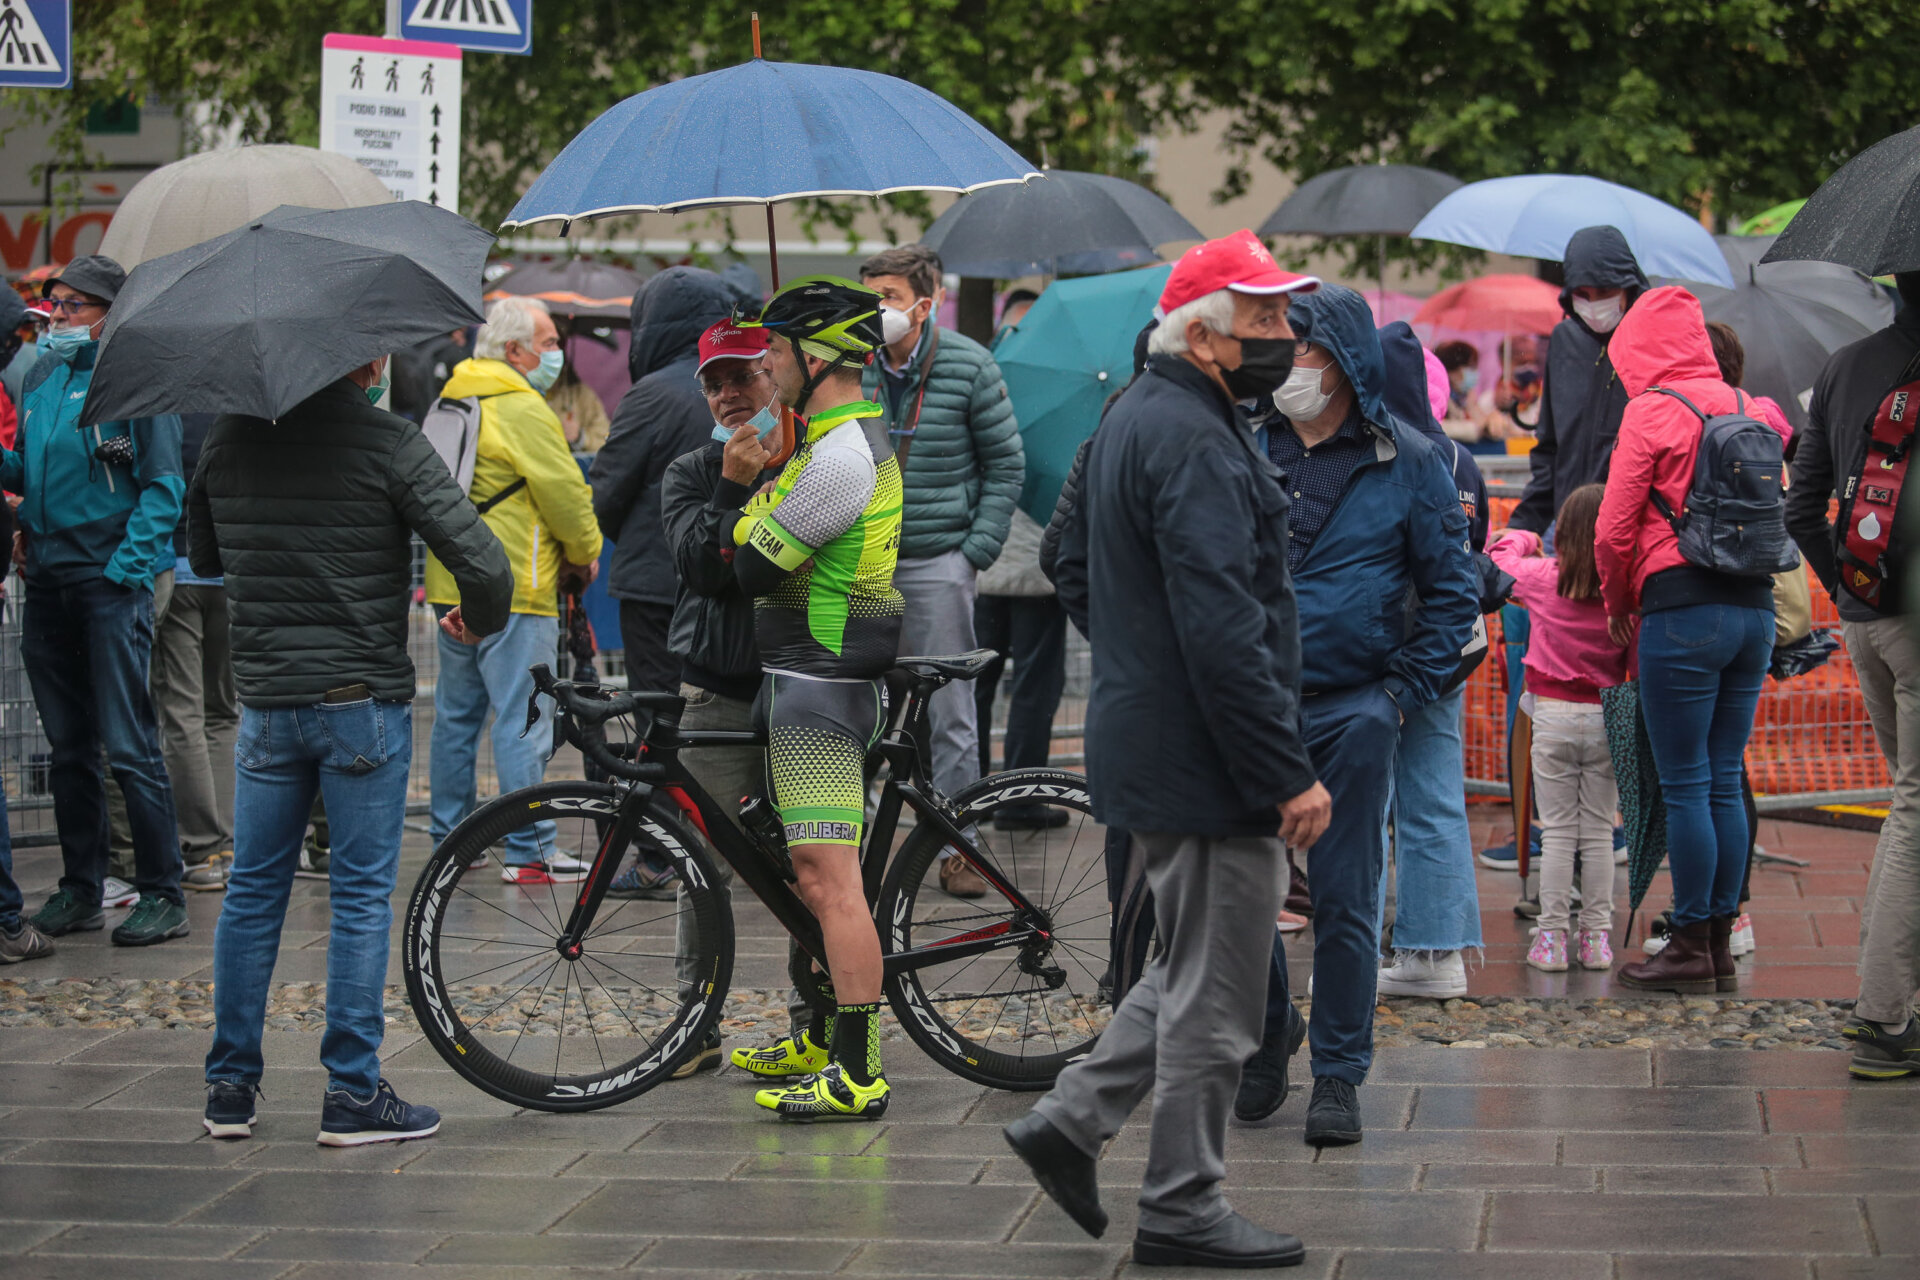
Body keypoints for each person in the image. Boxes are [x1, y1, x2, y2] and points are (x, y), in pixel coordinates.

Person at [1008, 231, 1328, 1268]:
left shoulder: (1143, 416)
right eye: (1267, 319)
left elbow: (1081, 562)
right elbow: (1223, 624)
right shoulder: (1189, 434)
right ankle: (1183, 1202)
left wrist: (1141, 662)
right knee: (1221, 998)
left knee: (1195, 967)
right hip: (1206, 761)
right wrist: (1285, 771)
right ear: (1204, 335)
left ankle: (1070, 1117)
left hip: (1168, 744)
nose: (1285, 334)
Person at [196, 353, 513, 1146]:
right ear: (366, 359)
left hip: (267, 703)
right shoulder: (388, 442)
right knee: (362, 894)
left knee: (252, 892)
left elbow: (204, 559)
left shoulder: (227, 438)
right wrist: (479, 620)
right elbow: (484, 564)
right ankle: (352, 1093)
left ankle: (230, 1086)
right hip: (359, 702)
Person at [1234, 286, 1476, 1145]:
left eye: (1295, 346)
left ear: (1338, 359)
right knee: (1242, 897)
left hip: (1353, 712)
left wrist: (1396, 696)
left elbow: (1456, 596)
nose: (1280, 362)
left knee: (1344, 898)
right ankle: (1267, 1041)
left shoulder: (1408, 460)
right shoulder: (1244, 446)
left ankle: (1338, 1072)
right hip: (1250, 712)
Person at [724, 276, 905, 1121]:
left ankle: (859, 1070)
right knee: (807, 875)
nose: (765, 363)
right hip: (804, 680)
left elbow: (754, 566)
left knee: (831, 885)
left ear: (819, 353)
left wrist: (750, 505)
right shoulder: (829, 441)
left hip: (822, 690)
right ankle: (828, 1033)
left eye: (778, 349)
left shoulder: (837, 457)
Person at [1596, 286, 1775, 995]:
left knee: (1686, 784)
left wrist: (1619, 601)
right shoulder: (1749, 406)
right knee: (1726, 776)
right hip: (1753, 611)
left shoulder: (1651, 411)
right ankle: (1723, 941)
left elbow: (1613, 528)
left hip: (1681, 610)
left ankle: (1689, 942)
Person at [8, 255, 190, 947]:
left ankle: (162, 890)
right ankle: (82, 887)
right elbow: (27, 466)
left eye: (73, 306)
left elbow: (164, 487)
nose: (56, 317)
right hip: (50, 583)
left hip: (107, 587)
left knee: (130, 745)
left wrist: (124, 571)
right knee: (69, 748)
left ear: (111, 312)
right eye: (53, 304)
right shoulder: (46, 377)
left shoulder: (139, 382)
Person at [656, 317, 809, 1077]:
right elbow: (703, 568)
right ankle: (696, 1023)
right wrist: (733, 484)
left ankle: (816, 1021)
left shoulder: (820, 457)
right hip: (717, 690)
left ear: (775, 372)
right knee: (700, 863)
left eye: (743, 376)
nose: (728, 395)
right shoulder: (691, 471)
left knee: (814, 860)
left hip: (805, 689)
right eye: (714, 384)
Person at [1784, 271, 1920, 1077]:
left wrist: (1848, 592)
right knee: (1913, 808)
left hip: (1869, 618)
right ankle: (1879, 1014)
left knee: (1908, 799)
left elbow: (1800, 509)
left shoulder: (1844, 366)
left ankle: (1892, 999)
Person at [859, 245, 1024, 898]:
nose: (877, 311)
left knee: (951, 714)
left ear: (925, 304)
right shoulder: (850, 364)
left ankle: (963, 850)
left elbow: (1006, 464)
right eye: (869, 295)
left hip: (936, 561)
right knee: (856, 706)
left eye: (889, 297)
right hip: (861, 563)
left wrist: (971, 553)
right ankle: (859, 845)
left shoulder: (969, 365)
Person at [427, 296, 605, 887]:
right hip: (514, 587)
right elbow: (564, 491)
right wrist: (585, 554)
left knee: (456, 718)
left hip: (448, 580)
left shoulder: (454, 396)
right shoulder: (521, 406)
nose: (555, 352)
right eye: (548, 342)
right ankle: (531, 851)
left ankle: (452, 843)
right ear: (514, 350)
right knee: (523, 716)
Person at [1366, 323, 1489, 999]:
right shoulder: (1457, 458)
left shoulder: (1375, 451)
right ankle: (1436, 954)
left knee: (1364, 803)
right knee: (1437, 798)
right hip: (1447, 651)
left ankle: (1356, 954)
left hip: (1377, 655)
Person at [1490, 485, 1628, 972]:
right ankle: (1596, 939)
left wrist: (1525, 535)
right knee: (1598, 833)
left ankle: (1550, 937)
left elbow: (1498, 559)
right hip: (1608, 715)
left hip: (1550, 715)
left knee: (1556, 834)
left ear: (1563, 533)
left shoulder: (1545, 578)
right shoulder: (1625, 586)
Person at [593, 268, 736, 695]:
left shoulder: (651, 394)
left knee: (659, 713)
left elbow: (606, 490)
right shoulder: (753, 387)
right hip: (732, 576)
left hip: (654, 585)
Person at [1510, 226, 1650, 534]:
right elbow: (1549, 449)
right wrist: (1522, 526)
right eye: (1583, 294)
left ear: (1629, 287)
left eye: (1605, 292)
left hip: (1634, 532)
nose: (1594, 304)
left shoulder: (1653, 341)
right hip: (1571, 531)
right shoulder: (1564, 339)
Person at [153, 413, 238, 892]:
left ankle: (202, 848)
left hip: (179, 569)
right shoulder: (234, 408)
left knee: (182, 712)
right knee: (223, 712)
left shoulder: (163, 409)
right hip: (229, 573)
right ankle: (228, 845)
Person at [971, 506, 1068, 826]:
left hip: (988, 567)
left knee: (977, 687)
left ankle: (972, 800)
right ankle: (1020, 803)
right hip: (1035, 570)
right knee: (1035, 688)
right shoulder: (1052, 455)